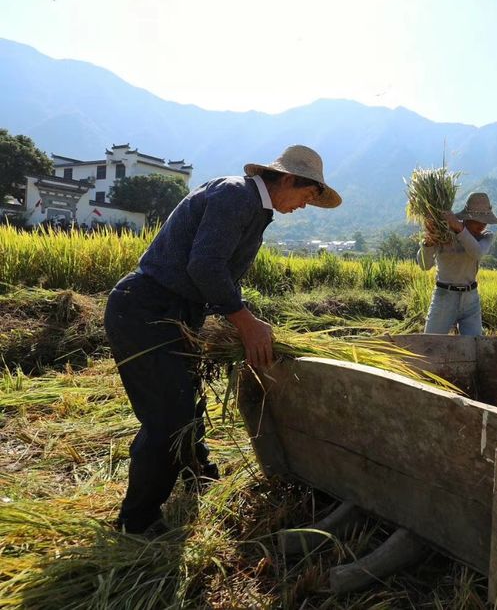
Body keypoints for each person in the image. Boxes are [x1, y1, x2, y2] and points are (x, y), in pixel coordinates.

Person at [104, 145, 341, 536]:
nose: (305, 205)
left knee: (189, 402)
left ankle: (199, 474)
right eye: (307, 195)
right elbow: (205, 264)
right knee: (168, 418)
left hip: (177, 314)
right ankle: (138, 520)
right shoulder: (236, 195)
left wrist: (235, 319)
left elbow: (215, 272)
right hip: (146, 311)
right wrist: (244, 321)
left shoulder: (254, 207)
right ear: (287, 179)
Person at [416, 192, 497, 336]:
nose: (482, 225)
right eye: (478, 221)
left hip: (471, 299)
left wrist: (459, 228)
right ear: (467, 218)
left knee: (474, 347)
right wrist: (428, 242)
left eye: (484, 221)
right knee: (432, 344)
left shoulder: (486, 237)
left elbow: (476, 252)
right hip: (444, 297)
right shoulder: (444, 234)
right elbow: (424, 265)